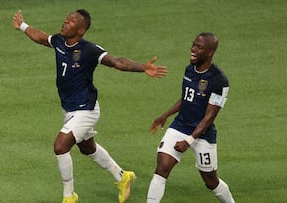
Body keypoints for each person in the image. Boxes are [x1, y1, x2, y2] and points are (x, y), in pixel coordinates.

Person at [12, 9, 167, 203]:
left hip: (86, 109)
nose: (65, 21)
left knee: (60, 147)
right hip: (69, 109)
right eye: (67, 18)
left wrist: (143, 67)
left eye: (72, 21)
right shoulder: (59, 41)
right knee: (87, 148)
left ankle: (69, 196)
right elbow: (41, 38)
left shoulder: (89, 50)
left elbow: (117, 62)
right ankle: (122, 176)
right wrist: (23, 26)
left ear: (81, 30)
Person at [146, 32, 235, 203]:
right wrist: (166, 114)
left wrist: (189, 140)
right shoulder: (190, 69)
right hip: (179, 126)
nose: (193, 49)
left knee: (211, 181)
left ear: (209, 53)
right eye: (193, 45)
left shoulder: (219, 80)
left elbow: (210, 116)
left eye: (199, 47)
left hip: (202, 134)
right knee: (161, 168)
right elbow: (187, 98)